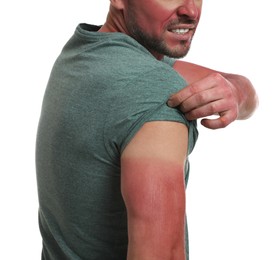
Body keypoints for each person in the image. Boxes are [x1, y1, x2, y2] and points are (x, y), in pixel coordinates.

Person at [36, 0, 258, 259]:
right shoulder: (153, 89)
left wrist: (237, 92)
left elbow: (236, 86)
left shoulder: (86, 51)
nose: (191, 10)